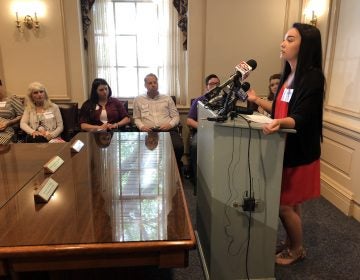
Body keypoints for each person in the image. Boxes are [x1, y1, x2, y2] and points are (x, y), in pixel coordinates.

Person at [247, 23, 325, 265]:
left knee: (283, 206)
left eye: (290, 39)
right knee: (291, 203)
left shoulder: (312, 77)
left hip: (300, 152)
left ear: (306, 45)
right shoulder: (288, 75)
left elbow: (302, 116)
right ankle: (292, 242)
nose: (283, 43)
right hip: (285, 149)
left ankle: (297, 249)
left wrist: (280, 123)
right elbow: (281, 110)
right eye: (284, 39)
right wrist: (255, 99)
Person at [133, 73, 184, 170]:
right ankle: (148, 170)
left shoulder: (167, 98)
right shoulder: (138, 99)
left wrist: (170, 124)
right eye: (150, 83)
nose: (153, 85)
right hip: (147, 131)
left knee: (178, 147)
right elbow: (136, 118)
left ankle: (174, 168)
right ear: (145, 85)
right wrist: (142, 127)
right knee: (142, 151)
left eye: (155, 82)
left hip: (168, 130)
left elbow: (176, 116)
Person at [186, 74, 220, 180]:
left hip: (220, 132)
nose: (215, 86)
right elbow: (189, 120)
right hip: (202, 131)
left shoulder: (225, 100)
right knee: (196, 145)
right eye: (212, 84)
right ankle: (197, 178)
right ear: (207, 87)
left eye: (217, 84)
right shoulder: (199, 100)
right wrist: (202, 127)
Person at [0, 79, 24, 144]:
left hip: (6, 130)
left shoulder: (12, 99)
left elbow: (22, 116)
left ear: (1, 86)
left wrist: (8, 123)